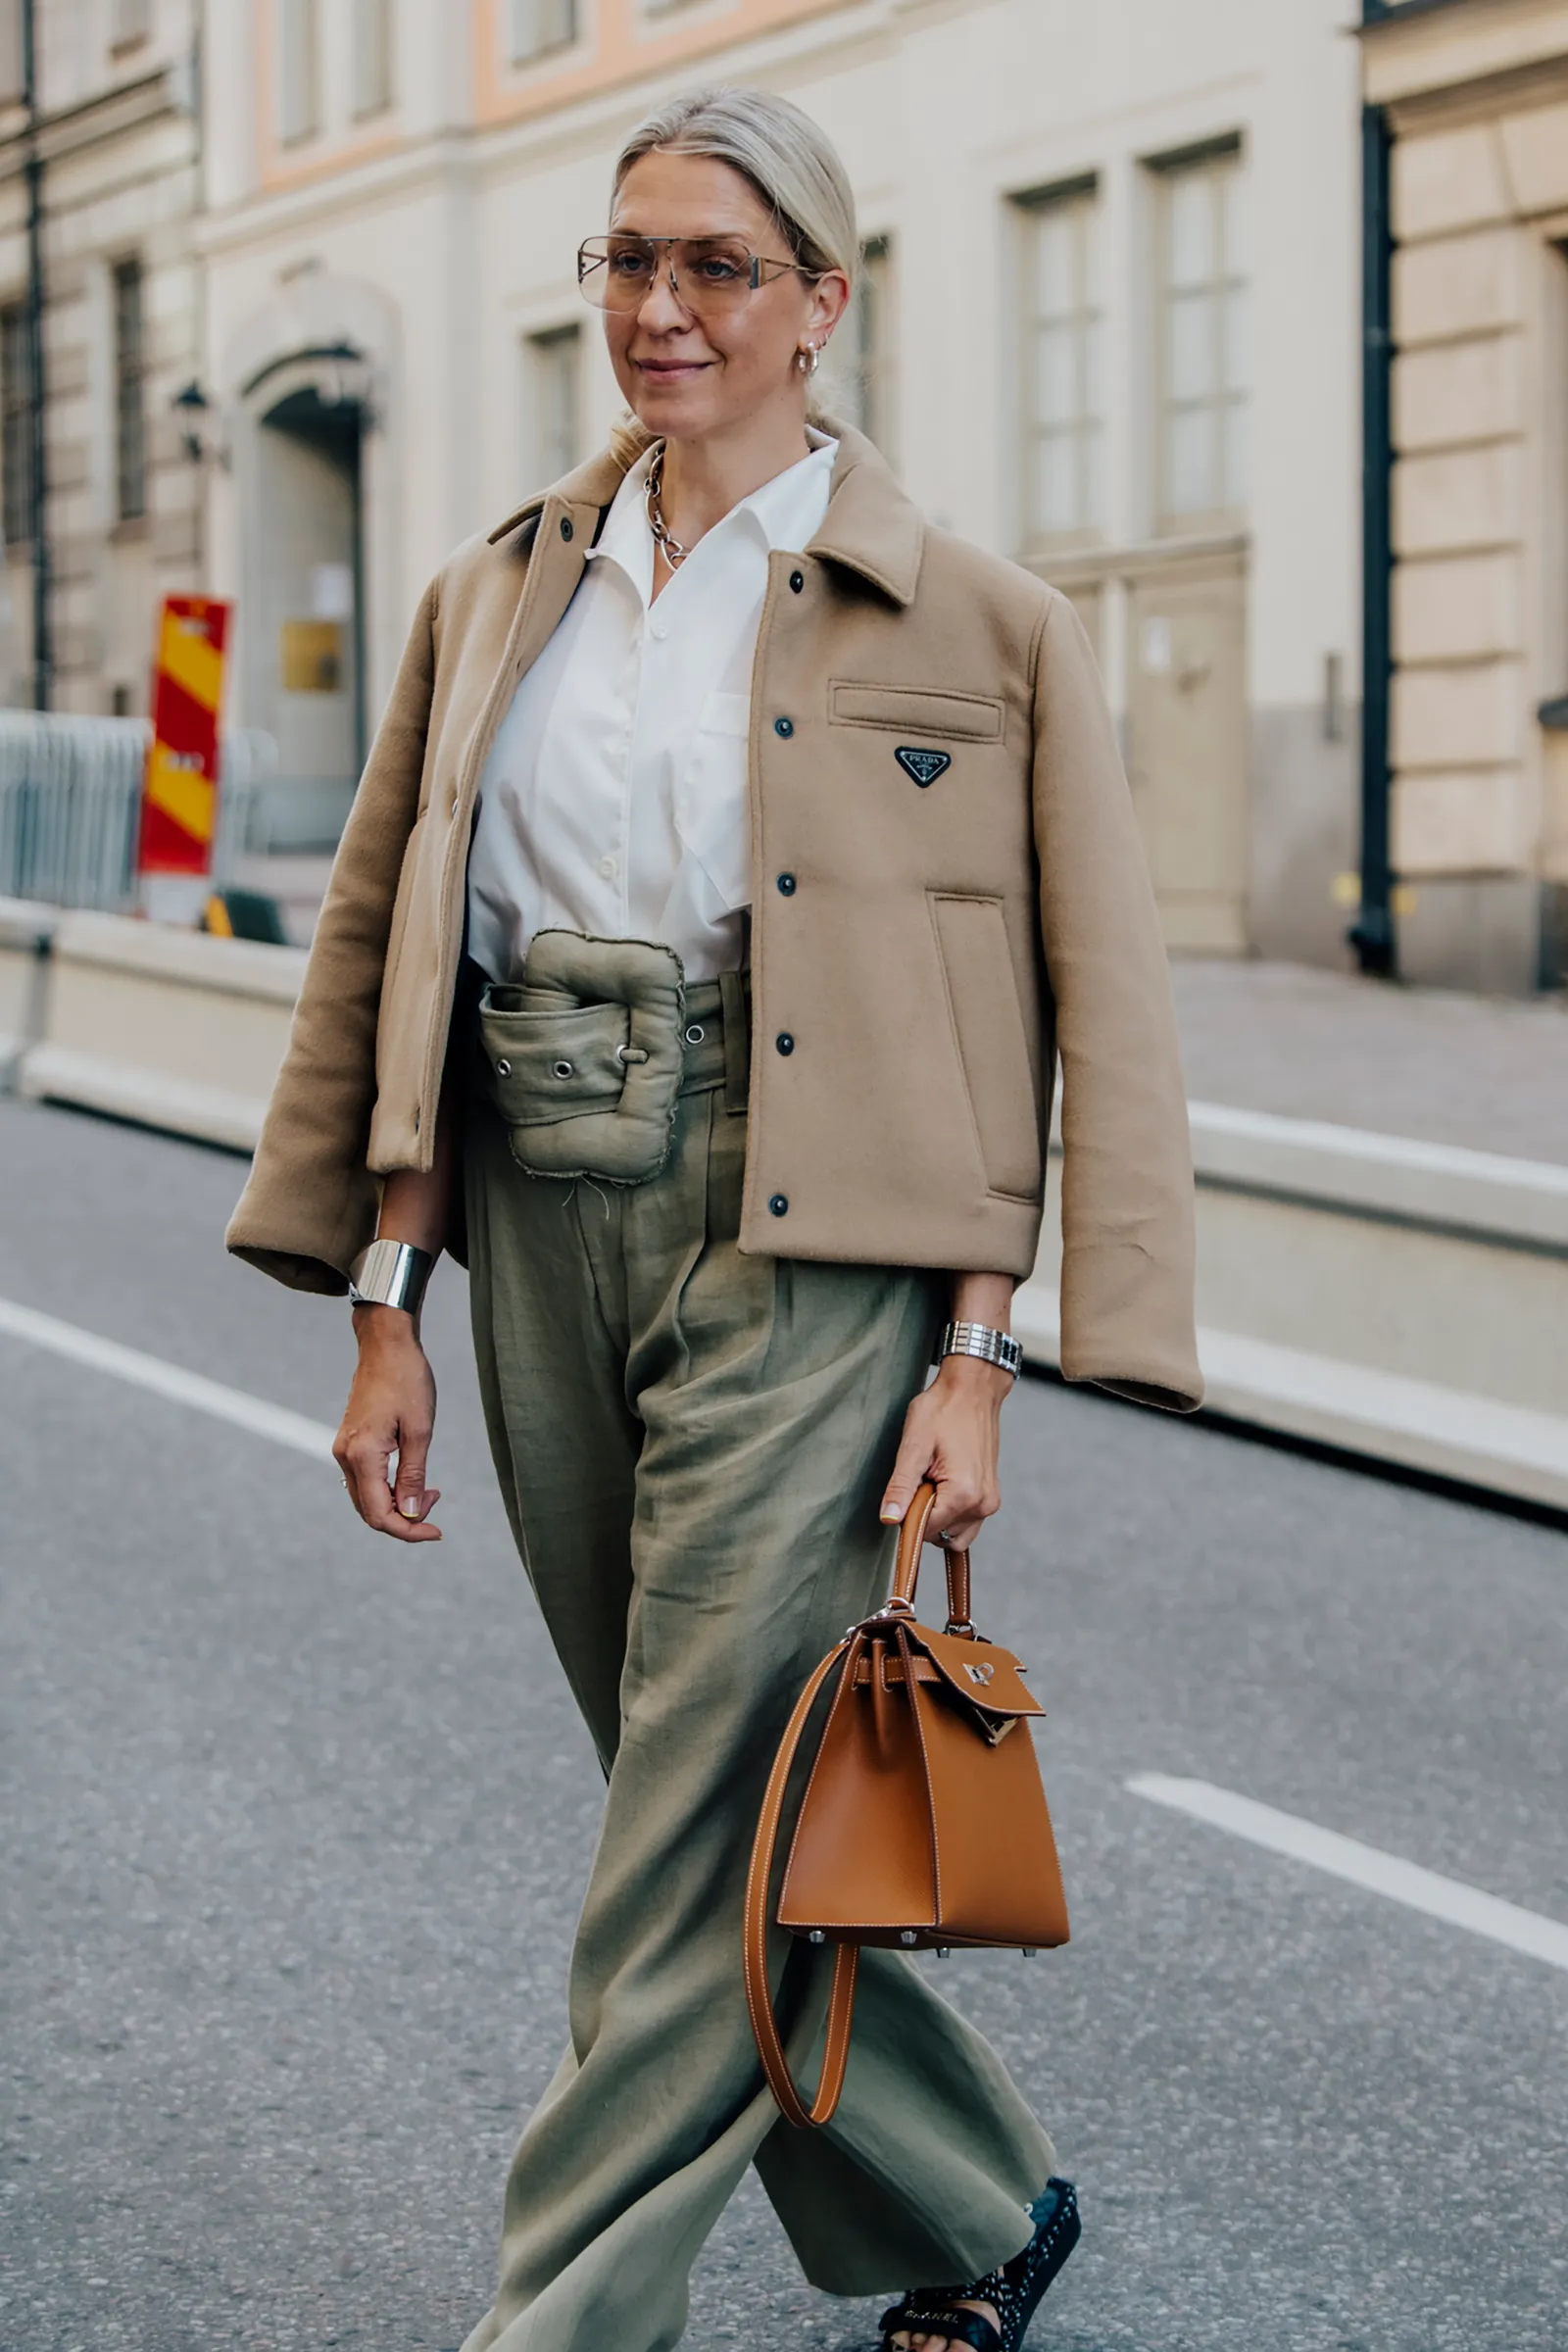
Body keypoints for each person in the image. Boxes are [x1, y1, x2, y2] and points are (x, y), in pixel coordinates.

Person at [226, 82, 1200, 2352]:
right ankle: (973, 2211)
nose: (659, 309)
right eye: (628, 261)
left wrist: (978, 1349)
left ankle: (555, 2322)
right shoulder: (495, 590)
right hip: (542, 1216)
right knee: (719, 1802)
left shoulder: (977, 622)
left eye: (716, 269)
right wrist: (385, 1295)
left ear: (822, 303)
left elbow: (1066, 1010)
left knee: (681, 1844)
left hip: (816, 1253)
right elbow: (390, 938)